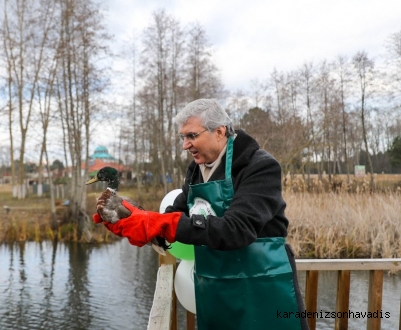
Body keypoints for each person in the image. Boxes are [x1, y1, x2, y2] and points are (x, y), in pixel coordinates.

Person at [93, 99, 309, 330]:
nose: (185, 145)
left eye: (192, 136)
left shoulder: (260, 166)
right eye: (182, 137)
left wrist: (167, 224)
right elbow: (173, 217)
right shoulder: (196, 170)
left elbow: (237, 230)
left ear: (219, 131)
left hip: (261, 288)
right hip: (214, 290)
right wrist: (132, 218)